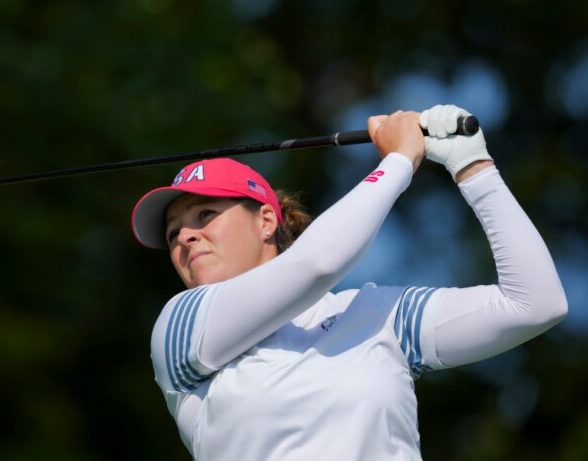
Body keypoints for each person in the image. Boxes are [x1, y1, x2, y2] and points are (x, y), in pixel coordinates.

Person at [130, 105, 567, 460]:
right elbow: (317, 264)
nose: (185, 237)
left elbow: (534, 305)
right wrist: (399, 161)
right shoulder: (180, 329)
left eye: (205, 215)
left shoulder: (374, 316)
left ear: (266, 221)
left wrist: (473, 167)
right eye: (173, 234)